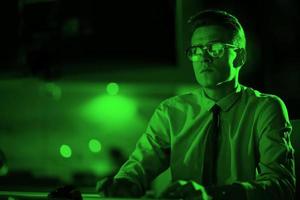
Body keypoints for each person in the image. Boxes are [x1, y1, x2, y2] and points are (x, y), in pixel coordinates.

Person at [96, 9, 296, 199]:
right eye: (197, 50)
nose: (204, 58)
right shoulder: (171, 111)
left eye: (215, 49)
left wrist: (214, 196)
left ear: (240, 57)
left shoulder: (265, 108)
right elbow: (141, 163)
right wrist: (125, 183)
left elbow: (282, 185)